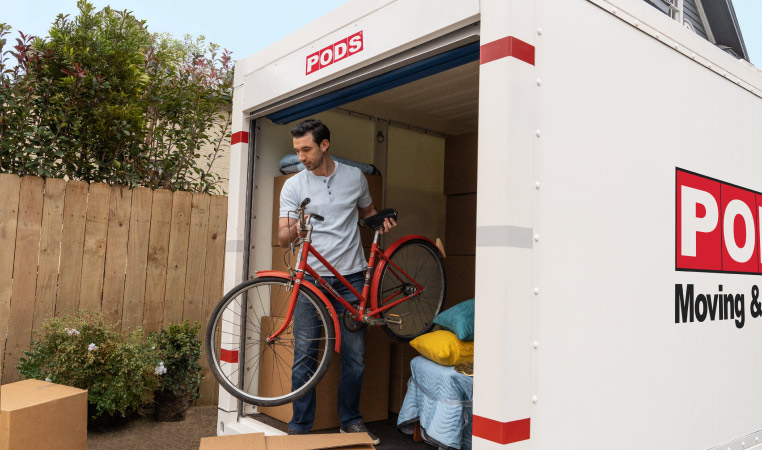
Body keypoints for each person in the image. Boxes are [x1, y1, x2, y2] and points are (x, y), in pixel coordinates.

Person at [278, 119, 395, 445]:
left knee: (355, 359)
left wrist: (379, 222)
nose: (300, 156)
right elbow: (282, 237)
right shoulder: (294, 186)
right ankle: (299, 428)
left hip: (352, 277)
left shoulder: (354, 177)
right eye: (296, 150)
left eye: (306, 149)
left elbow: (367, 213)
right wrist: (298, 229)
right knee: (305, 357)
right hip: (311, 280)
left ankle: (351, 422)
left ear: (324, 145)